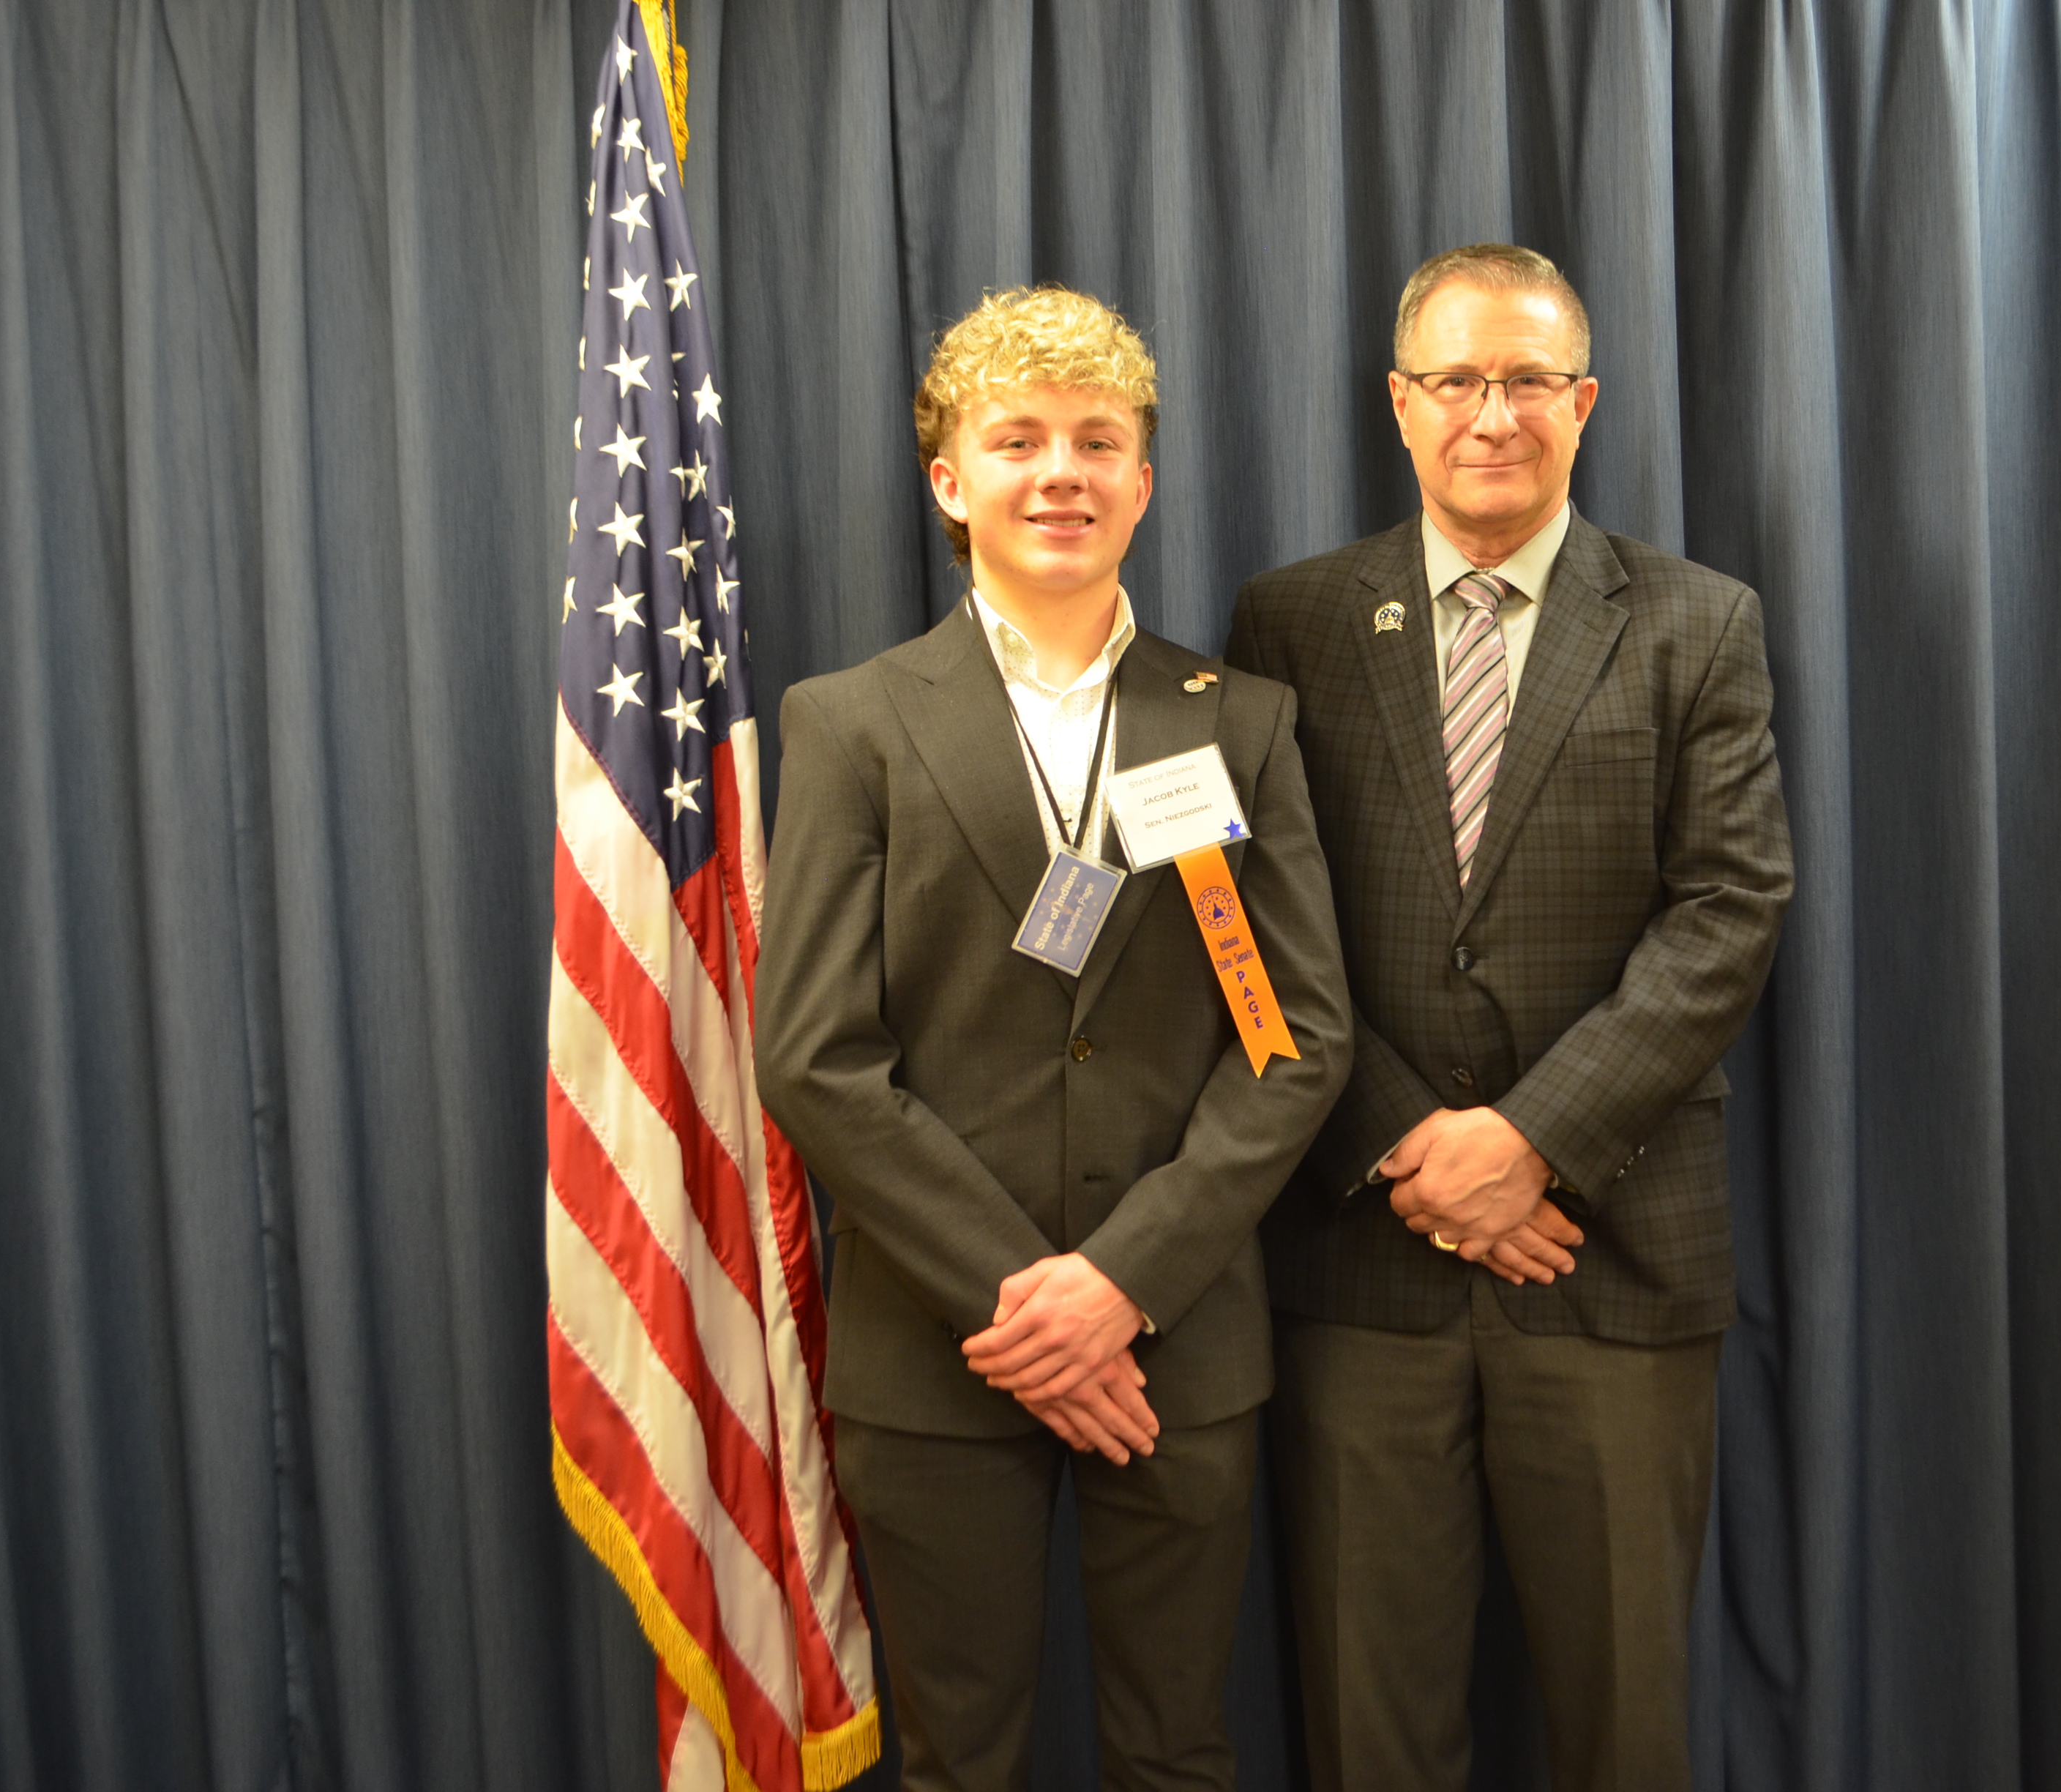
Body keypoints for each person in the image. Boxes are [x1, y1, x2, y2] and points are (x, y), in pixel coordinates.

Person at [754, 286, 1352, 1791]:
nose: (1061, 473)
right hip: (939, 1347)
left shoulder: (1242, 722)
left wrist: (1124, 1283)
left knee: (1179, 1753)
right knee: (961, 1761)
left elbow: (1295, 1041)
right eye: (1017, 440)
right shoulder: (850, 723)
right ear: (949, 482)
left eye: (1096, 442)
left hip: (1178, 1341)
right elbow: (816, 1056)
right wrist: (1029, 1305)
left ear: (1143, 483)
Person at [1225, 244, 1793, 1792]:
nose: (1495, 414)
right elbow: (1254, 925)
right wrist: (1412, 1147)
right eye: (1458, 380)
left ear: (1584, 402)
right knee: (1372, 1733)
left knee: (1626, 1729)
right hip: (1363, 1260)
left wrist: (1531, 1143)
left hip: (1613, 1255)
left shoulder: (1698, 622)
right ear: (1399, 404)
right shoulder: (1288, 622)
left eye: (1530, 379)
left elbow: (1730, 910)